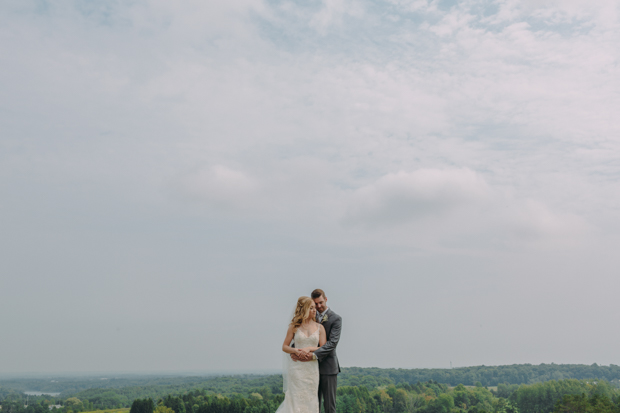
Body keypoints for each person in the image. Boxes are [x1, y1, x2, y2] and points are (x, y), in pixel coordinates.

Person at [291, 289, 342, 413]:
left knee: (329, 407)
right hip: (308, 370)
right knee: (312, 406)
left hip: (328, 368)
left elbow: (331, 344)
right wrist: (295, 350)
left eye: (320, 303)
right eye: (315, 304)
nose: (318, 306)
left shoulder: (336, 319)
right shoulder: (308, 317)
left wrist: (312, 355)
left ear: (326, 299)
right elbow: (301, 336)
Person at [278, 296, 327, 413]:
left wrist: (309, 349)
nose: (314, 310)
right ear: (304, 310)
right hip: (297, 369)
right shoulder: (294, 327)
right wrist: (296, 351)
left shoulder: (320, 328)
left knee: (310, 399)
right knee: (295, 399)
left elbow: (323, 347)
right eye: (311, 308)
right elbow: (284, 346)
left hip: (312, 369)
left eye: (314, 308)